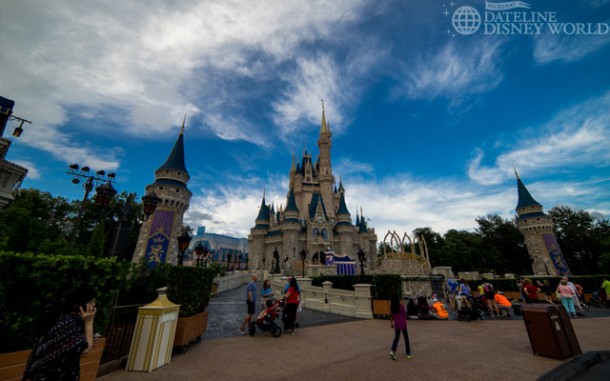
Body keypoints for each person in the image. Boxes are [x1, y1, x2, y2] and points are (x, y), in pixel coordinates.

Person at [23, 288, 97, 381]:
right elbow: (86, 349)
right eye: (92, 302)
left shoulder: (61, 318)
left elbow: (72, 351)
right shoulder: (69, 325)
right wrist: (89, 322)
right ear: (80, 306)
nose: (94, 305)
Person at [389, 294, 413, 360]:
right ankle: (408, 353)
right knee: (406, 338)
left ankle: (392, 351)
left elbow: (392, 316)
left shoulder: (392, 307)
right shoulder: (401, 306)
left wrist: (392, 323)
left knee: (396, 338)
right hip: (402, 323)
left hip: (396, 323)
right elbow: (404, 314)